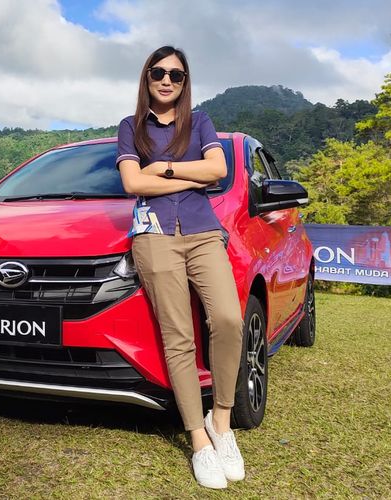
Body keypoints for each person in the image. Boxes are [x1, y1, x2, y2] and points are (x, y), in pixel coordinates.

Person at [116, 46, 244, 489]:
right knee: (178, 337)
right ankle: (199, 440)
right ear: (147, 78)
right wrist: (193, 176)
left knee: (228, 319)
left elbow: (219, 169)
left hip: (203, 231)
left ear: (185, 81)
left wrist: (165, 169)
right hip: (153, 237)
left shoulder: (200, 121)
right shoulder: (131, 127)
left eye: (176, 74)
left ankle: (220, 420)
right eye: (158, 72)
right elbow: (132, 182)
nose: (167, 80)